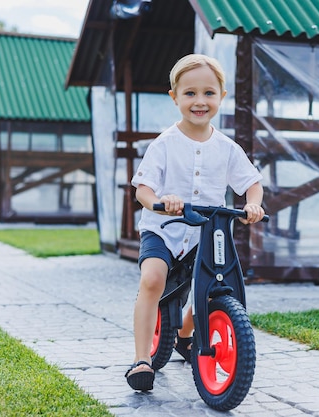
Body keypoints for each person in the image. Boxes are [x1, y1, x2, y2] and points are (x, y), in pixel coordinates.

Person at [125, 54, 266, 391]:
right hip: (164, 230)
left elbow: (252, 183)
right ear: (175, 97)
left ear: (221, 97)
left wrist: (253, 204)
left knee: (213, 286)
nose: (199, 101)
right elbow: (143, 189)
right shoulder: (165, 143)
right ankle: (141, 358)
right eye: (189, 94)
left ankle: (185, 333)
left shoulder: (227, 148)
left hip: (206, 232)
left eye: (208, 93)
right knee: (153, 280)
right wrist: (161, 203)